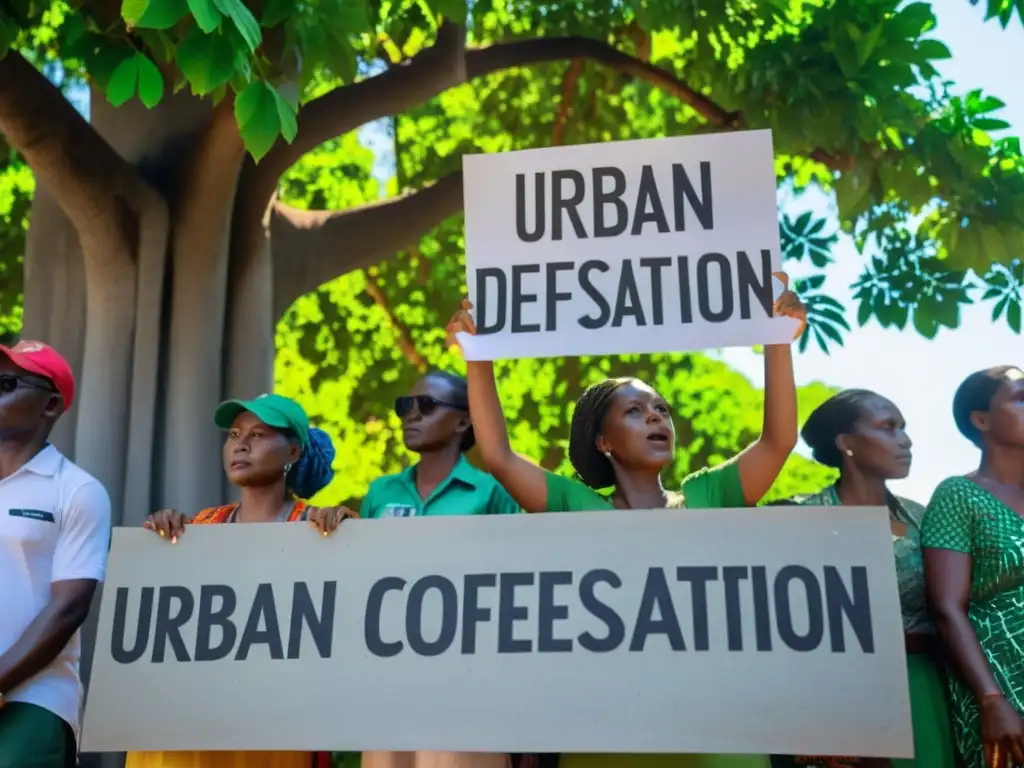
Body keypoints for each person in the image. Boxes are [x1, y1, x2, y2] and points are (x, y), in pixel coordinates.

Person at [443, 276, 806, 768]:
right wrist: (477, 356)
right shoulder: (578, 508)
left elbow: (777, 441)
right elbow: (501, 457)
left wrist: (778, 342)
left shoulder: (708, 495)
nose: (657, 418)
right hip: (608, 736)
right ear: (603, 441)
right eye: (635, 411)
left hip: (718, 732)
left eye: (661, 409)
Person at [127, 392, 351, 768]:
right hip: (188, 726)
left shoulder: (319, 528)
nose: (241, 445)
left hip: (274, 729)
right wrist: (158, 544)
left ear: (293, 452)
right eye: (234, 434)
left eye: (259, 435)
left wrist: (348, 543)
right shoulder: (197, 528)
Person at [772, 389, 955, 768]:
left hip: (926, 688)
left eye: (903, 428)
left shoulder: (928, 520)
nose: (905, 440)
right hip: (838, 697)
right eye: (888, 428)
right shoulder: (798, 518)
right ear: (846, 443)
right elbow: (778, 630)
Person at [360, 370, 518, 768]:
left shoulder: (492, 492)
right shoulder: (380, 493)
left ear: (464, 421)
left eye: (426, 405)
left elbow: (517, 582)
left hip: (468, 683)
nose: (411, 415)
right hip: (386, 681)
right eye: (404, 406)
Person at [0, 341, 112, 768]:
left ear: (50, 406)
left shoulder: (77, 490)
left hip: (32, 701)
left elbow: (69, 608)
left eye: (7, 383)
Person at [922, 365, 1024, 768]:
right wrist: (991, 700)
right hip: (1004, 688)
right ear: (981, 420)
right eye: (1020, 397)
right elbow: (947, 608)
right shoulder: (958, 496)